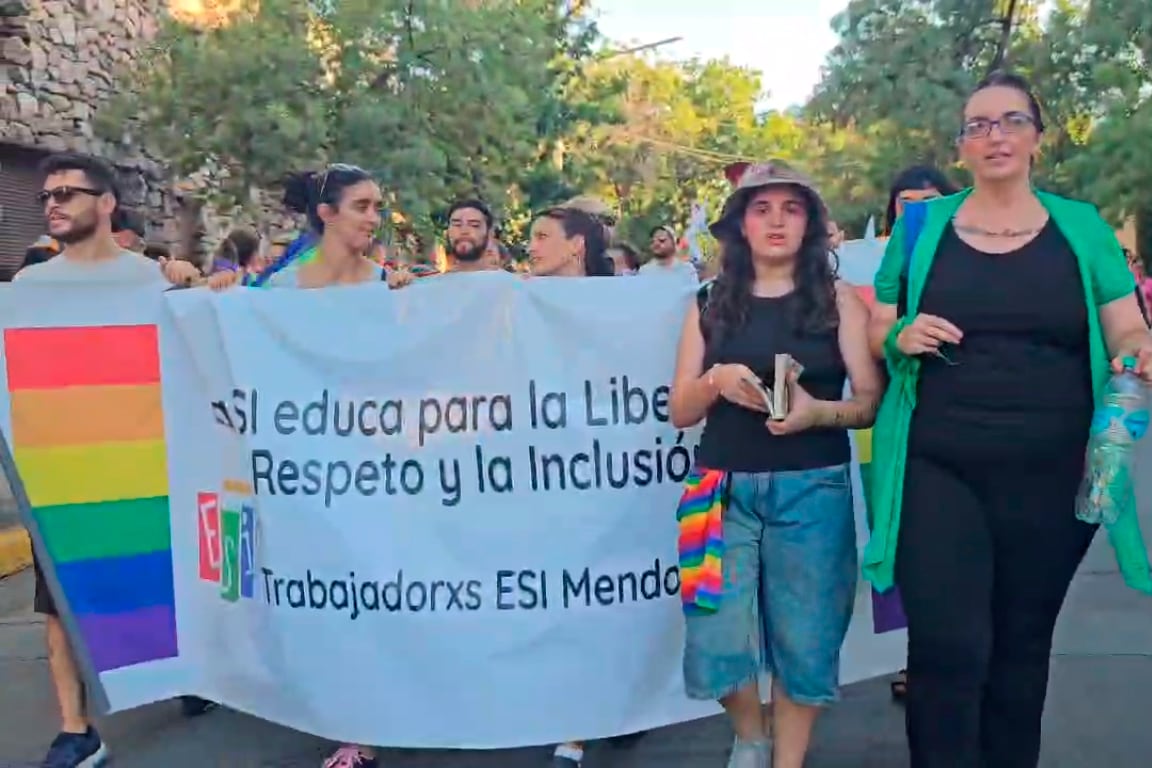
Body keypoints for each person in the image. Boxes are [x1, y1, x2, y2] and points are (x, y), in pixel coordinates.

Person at [865, 71, 1152, 768]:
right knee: (947, 646)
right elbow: (879, 316)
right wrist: (898, 335)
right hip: (940, 464)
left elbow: (1127, 330)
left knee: (1021, 651)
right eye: (978, 125)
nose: (994, 136)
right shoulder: (921, 226)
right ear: (961, 144)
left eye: (1010, 121)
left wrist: (1137, 357)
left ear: (1036, 137)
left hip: (1056, 476)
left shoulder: (1081, 226)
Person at [668, 160, 881, 768]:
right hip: (718, 491)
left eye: (791, 208)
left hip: (812, 489)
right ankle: (752, 734)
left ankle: (786, 760)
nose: (776, 221)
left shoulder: (838, 300)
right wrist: (715, 378)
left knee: (806, 640)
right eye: (761, 209)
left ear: (810, 222)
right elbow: (679, 408)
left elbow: (868, 403)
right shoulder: (708, 302)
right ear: (739, 225)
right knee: (714, 637)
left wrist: (817, 412)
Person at [16, 152, 198, 768]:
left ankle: (193, 673)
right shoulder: (29, 288)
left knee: (171, 585)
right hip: (63, 473)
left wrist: (203, 284)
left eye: (68, 191)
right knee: (61, 607)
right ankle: (77, 730)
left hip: (150, 464)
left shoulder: (156, 282)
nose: (53, 203)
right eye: (47, 195)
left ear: (107, 203)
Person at [523, 205, 637, 767]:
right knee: (559, 596)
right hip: (538, 476)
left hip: (608, 473)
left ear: (576, 247)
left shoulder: (623, 306)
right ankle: (574, 717)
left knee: (605, 596)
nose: (532, 246)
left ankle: (600, 712)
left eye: (542, 237)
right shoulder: (512, 301)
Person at [877, 164, 958, 703]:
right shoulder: (883, 259)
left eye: (929, 201)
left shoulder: (970, 250)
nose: (918, 212)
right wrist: (896, 337)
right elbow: (875, 328)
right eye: (906, 202)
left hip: (960, 417)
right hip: (891, 415)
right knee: (904, 546)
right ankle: (911, 656)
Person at [883, 165, 959, 237]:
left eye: (930, 202)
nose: (917, 212)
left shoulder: (966, 247)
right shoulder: (880, 249)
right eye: (907, 204)